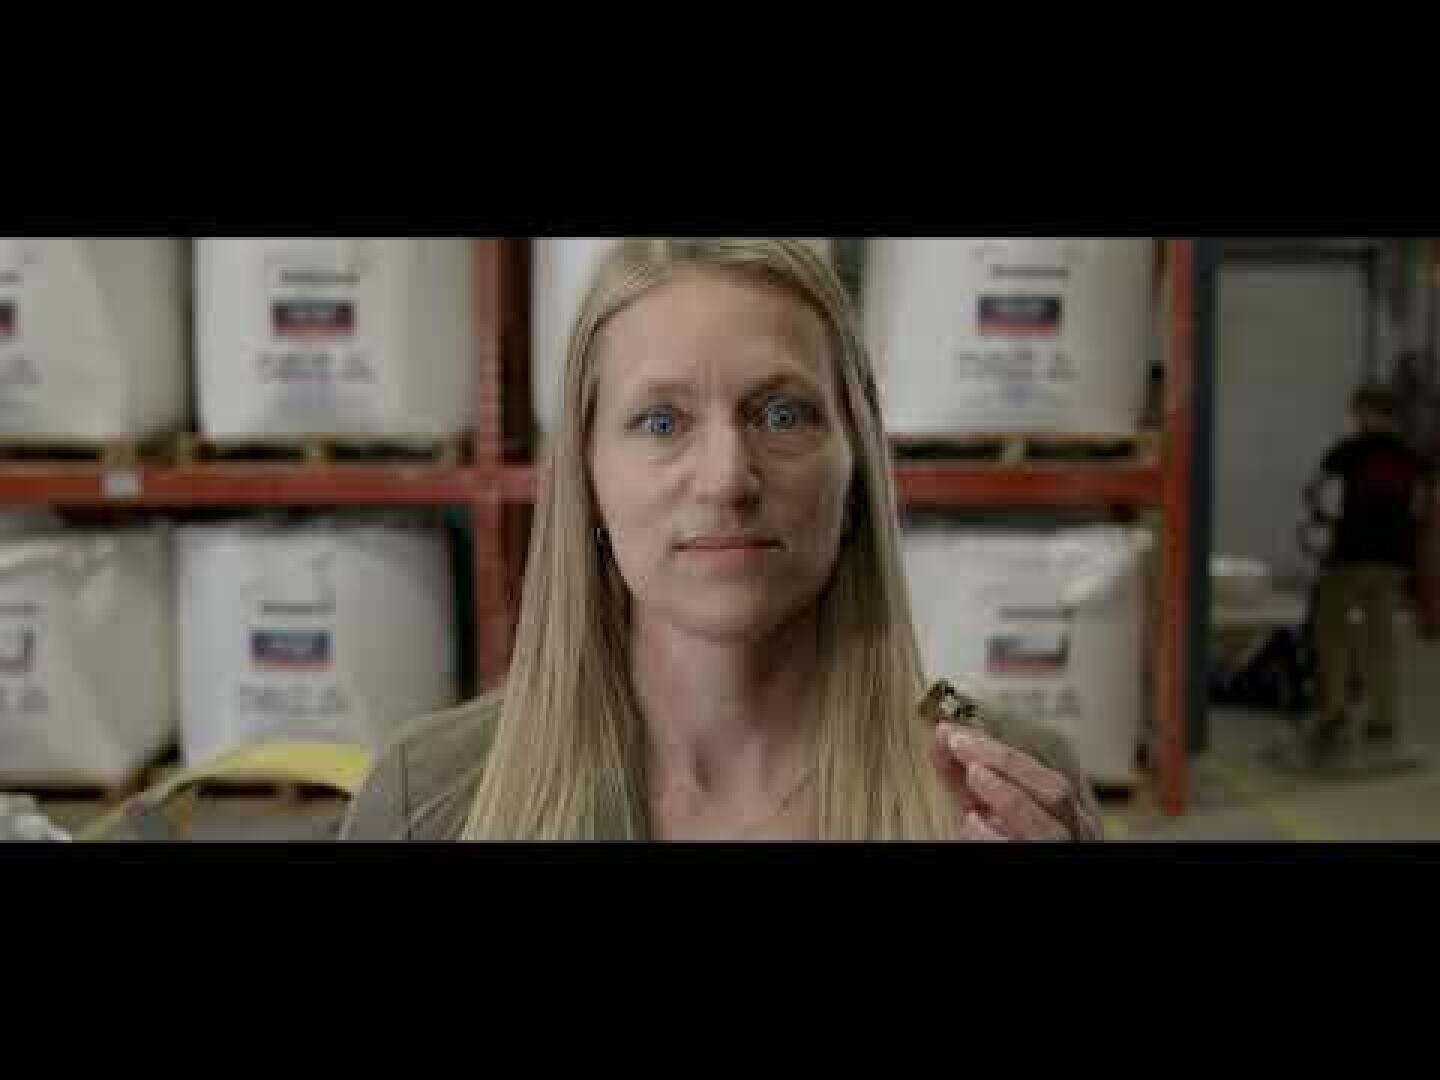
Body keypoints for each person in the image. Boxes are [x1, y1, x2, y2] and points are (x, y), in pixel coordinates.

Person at [342, 239, 1105, 842]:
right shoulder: (428, 797)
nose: (726, 479)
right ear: (588, 478)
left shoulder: (1006, 788)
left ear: (857, 467)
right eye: (662, 422)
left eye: (781, 416)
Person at [1303, 384, 1430, 764]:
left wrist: (1325, 518)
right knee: (1382, 639)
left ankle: (1335, 713)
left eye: (1358, 412)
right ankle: (1383, 718)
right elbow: (1421, 507)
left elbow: (1314, 490)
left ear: (1369, 412)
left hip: (1351, 556)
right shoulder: (1414, 457)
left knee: (1330, 631)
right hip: (1393, 561)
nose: (1355, 419)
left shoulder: (1349, 450)